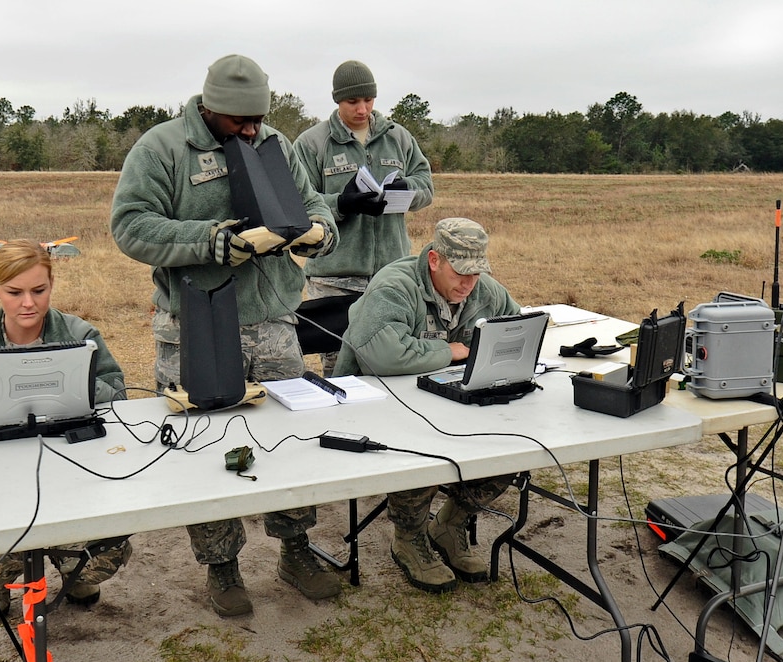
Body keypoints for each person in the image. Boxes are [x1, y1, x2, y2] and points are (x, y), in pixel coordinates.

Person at [109, 54, 342, 618]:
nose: (253, 130)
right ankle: (221, 565)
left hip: (274, 324)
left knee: (288, 440)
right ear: (210, 107)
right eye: (240, 122)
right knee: (203, 448)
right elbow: (131, 226)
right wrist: (216, 241)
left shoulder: (275, 144)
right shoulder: (161, 149)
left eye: (259, 119)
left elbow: (312, 204)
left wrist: (317, 234)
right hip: (196, 326)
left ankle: (295, 547)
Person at [0, 238, 131, 622]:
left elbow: (120, 396)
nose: (28, 303)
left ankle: (74, 572)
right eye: (15, 292)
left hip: (72, 471)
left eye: (39, 290)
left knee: (108, 546)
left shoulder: (81, 335)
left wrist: (74, 379)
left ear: (52, 285)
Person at [333, 218, 522, 593]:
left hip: (448, 404)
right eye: (461, 272)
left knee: (515, 444)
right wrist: (448, 351)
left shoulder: (482, 291)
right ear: (434, 260)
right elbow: (382, 356)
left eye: (477, 273)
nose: (469, 284)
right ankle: (408, 537)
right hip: (379, 406)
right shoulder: (394, 286)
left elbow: (516, 325)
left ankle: (450, 524)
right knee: (423, 450)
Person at [293, 60, 433, 374]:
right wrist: (342, 203)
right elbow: (299, 205)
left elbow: (427, 186)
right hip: (334, 278)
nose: (362, 109)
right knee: (339, 366)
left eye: (368, 100)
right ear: (337, 100)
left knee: (390, 361)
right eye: (353, 101)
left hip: (391, 274)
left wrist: (405, 189)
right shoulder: (312, 144)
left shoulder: (398, 137)